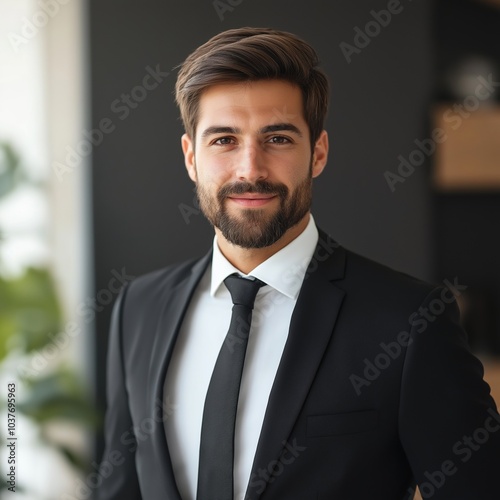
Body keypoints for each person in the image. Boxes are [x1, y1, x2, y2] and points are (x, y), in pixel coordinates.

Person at [96, 27, 500, 500]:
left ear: (318, 153)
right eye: (224, 140)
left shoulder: (410, 321)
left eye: (279, 138)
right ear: (191, 157)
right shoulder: (139, 307)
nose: (250, 168)